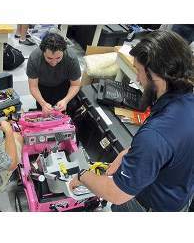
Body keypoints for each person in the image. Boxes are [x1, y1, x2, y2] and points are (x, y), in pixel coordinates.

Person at [69, 30, 194, 212]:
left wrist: (83, 176)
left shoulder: (154, 136)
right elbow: (172, 147)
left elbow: (115, 193)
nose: (136, 78)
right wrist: (128, 153)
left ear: (155, 74)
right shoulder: (186, 97)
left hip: (147, 205)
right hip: (180, 195)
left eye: (138, 70)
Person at [26, 32, 81, 114]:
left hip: (64, 85)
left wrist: (65, 100)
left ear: (63, 51)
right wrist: (43, 103)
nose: (54, 62)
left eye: (58, 58)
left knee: (68, 109)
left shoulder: (71, 58)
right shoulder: (34, 58)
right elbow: (33, 87)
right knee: (44, 111)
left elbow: (75, 85)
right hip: (43, 87)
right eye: (49, 58)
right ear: (43, 51)